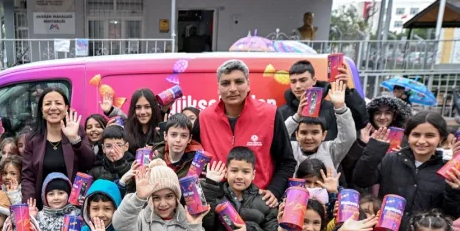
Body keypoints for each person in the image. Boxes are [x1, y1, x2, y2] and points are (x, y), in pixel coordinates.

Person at [199, 60, 296, 205]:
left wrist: (275, 190)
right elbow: (185, 149)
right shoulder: (204, 117)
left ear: (248, 84)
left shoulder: (270, 114)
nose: (232, 89)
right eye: (226, 83)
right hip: (218, 205)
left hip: (259, 204)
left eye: (239, 82)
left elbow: (287, 162)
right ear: (218, 88)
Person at [20, 87, 95, 206]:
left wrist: (74, 140)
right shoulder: (32, 139)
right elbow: (28, 178)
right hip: (42, 209)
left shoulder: (77, 131)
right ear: (41, 110)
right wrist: (29, 206)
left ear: (66, 108)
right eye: (48, 104)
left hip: (74, 208)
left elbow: (89, 163)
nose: (53, 107)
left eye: (58, 103)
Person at [284, 80, 356, 170]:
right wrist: (297, 117)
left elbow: (349, 137)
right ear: (297, 135)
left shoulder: (331, 150)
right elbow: (278, 138)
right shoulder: (291, 149)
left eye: (315, 132)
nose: (309, 137)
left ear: (324, 135)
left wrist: (340, 107)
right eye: (303, 132)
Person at [340, 96, 411, 188]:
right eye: (377, 113)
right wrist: (361, 144)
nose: (382, 117)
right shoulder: (361, 132)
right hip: (363, 189)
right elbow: (348, 168)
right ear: (371, 115)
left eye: (387, 113)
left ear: (394, 116)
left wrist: (403, 156)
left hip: (391, 188)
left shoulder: (404, 137)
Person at [150, 114, 204, 178]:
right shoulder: (153, 156)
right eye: (173, 135)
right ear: (165, 136)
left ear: (189, 139)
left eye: (183, 136)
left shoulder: (197, 162)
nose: (178, 140)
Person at [90, 125, 135, 196]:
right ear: (103, 148)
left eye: (118, 145)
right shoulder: (96, 170)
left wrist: (120, 163)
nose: (113, 150)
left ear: (126, 147)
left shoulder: (134, 166)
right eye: (108, 146)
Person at [124, 89, 164, 153]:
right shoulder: (124, 130)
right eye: (138, 107)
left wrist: (157, 150)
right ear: (133, 109)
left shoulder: (161, 132)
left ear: (153, 108)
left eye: (147, 107)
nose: (142, 112)